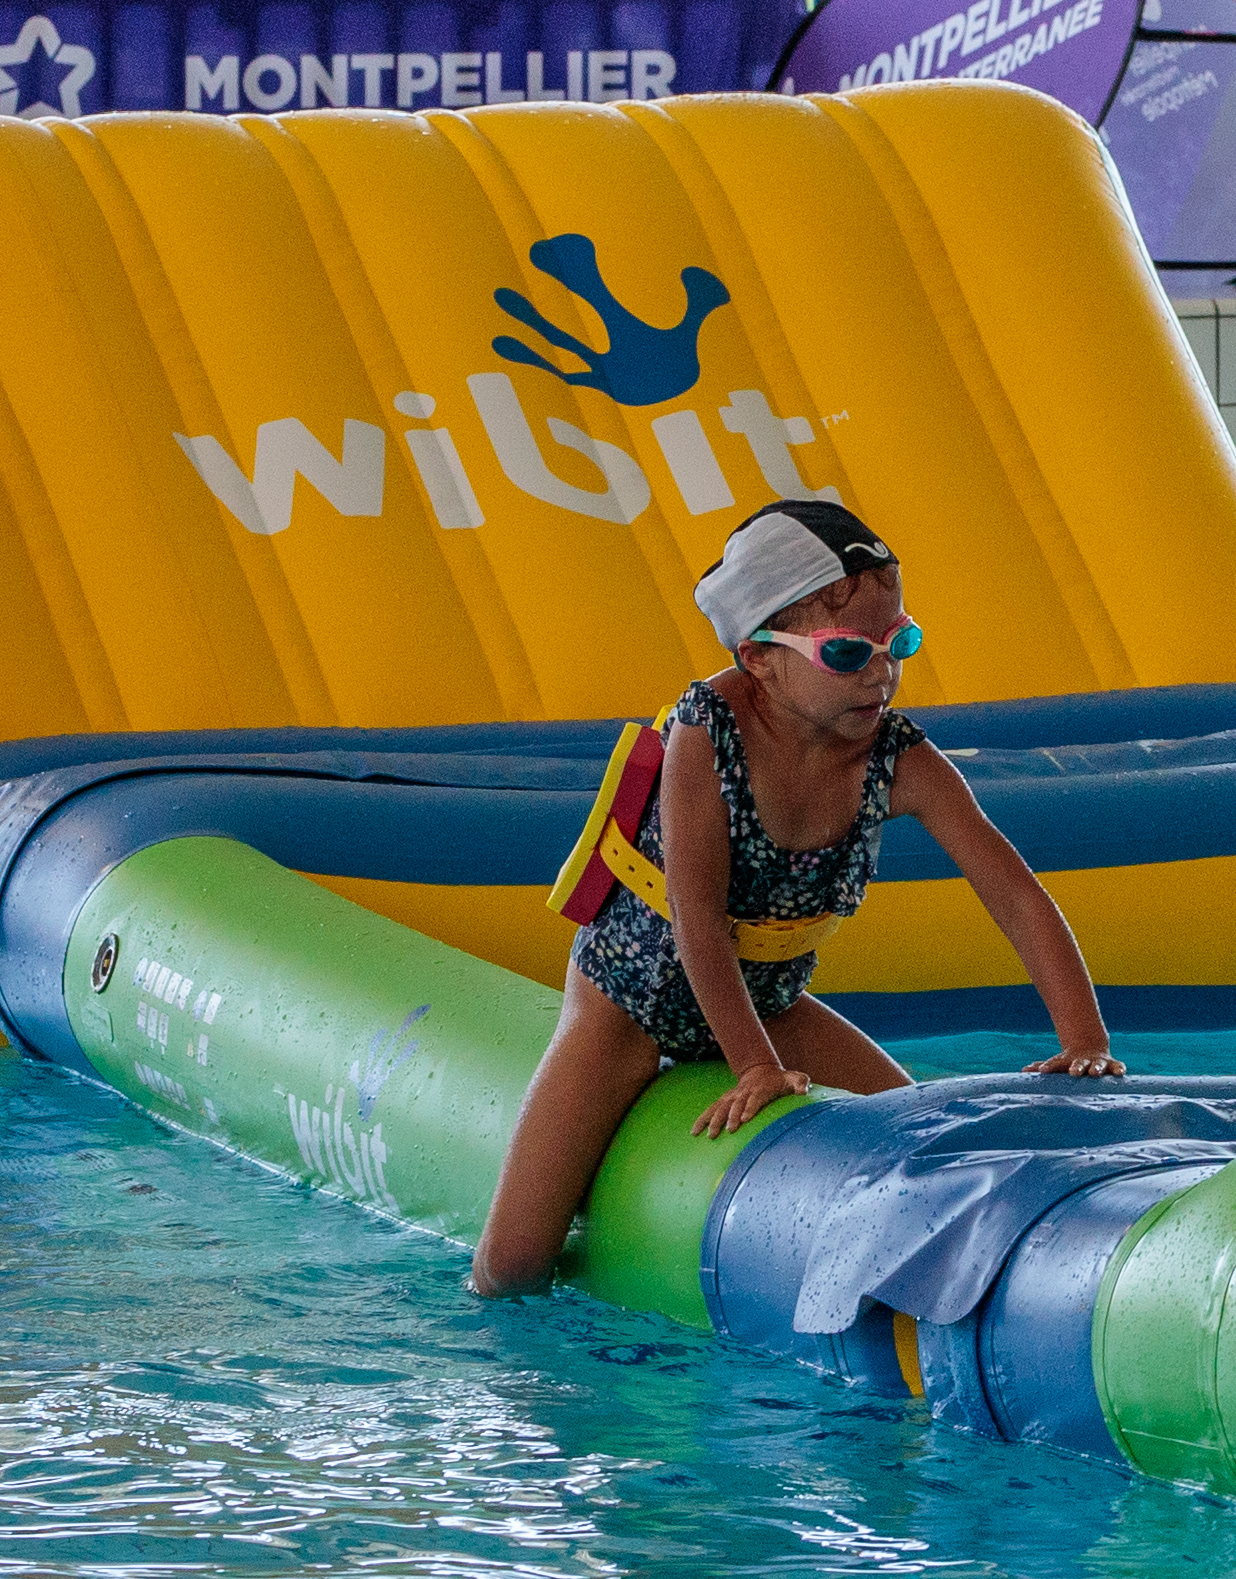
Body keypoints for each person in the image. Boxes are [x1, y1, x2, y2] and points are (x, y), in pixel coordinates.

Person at [471, 500, 1122, 1299]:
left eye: (900, 643)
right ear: (759, 658)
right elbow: (699, 923)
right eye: (849, 652)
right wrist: (755, 1068)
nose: (882, 673)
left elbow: (1016, 897)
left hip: (771, 1000)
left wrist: (1083, 1038)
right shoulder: (705, 736)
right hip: (629, 1005)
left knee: (925, 1145)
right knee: (511, 1267)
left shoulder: (898, 759)